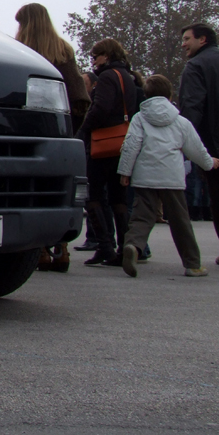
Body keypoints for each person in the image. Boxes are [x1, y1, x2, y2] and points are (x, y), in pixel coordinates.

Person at [117, 74, 218, 278]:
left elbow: (130, 146)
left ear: (146, 94)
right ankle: (192, 264)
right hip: (171, 177)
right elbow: (195, 149)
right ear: (169, 94)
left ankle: (133, 247)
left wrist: (124, 172)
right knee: (180, 222)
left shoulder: (139, 118)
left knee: (141, 218)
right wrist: (209, 163)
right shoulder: (181, 121)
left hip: (145, 177)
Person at [15, 4, 90, 273]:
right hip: (55, 132)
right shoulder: (63, 50)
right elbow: (80, 98)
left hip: (25, 135)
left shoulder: (18, 51)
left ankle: (41, 252)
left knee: (31, 191)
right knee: (56, 188)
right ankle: (62, 252)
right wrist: (68, 131)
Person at [75, 38, 143, 266]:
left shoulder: (106, 77)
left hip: (103, 142)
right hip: (122, 141)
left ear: (107, 55)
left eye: (96, 56)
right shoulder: (128, 76)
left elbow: (101, 108)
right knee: (118, 197)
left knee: (93, 195)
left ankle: (104, 246)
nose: (93, 60)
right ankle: (124, 247)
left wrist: (83, 130)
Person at [177, 23, 219, 266]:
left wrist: (184, 144)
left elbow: (191, 109)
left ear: (203, 39)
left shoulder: (196, 66)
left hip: (216, 148)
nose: (184, 44)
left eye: (187, 39)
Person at [73, 71, 100, 251]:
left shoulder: (90, 108)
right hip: (90, 150)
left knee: (92, 196)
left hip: (91, 151)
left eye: (84, 83)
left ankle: (95, 238)